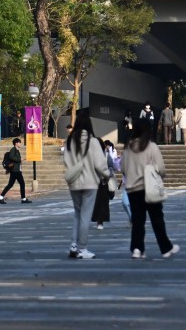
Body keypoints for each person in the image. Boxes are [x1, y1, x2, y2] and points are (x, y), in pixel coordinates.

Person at [122, 122, 179, 259]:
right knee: (157, 219)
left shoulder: (127, 148)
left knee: (137, 220)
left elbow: (123, 169)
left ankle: (137, 248)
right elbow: (160, 167)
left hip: (132, 189)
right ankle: (166, 248)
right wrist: (161, 176)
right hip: (149, 188)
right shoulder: (151, 146)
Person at [63, 110, 111, 259]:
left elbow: (65, 160)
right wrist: (107, 175)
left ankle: (73, 245)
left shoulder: (70, 141)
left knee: (77, 214)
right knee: (85, 215)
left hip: (74, 182)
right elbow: (100, 164)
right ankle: (82, 248)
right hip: (90, 183)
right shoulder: (93, 142)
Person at [0, 138, 30, 204]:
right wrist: (19, 159)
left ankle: (0, 197)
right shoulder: (13, 149)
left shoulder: (17, 151)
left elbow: (16, 159)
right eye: (19, 143)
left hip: (15, 170)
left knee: (10, 185)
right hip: (15, 170)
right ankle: (23, 199)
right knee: (22, 183)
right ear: (16, 143)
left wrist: (21, 159)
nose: (20, 144)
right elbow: (11, 157)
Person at [92, 139, 117, 231]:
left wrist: (106, 174)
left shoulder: (106, 155)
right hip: (94, 182)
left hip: (103, 182)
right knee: (95, 203)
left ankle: (100, 221)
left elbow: (111, 167)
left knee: (102, 203)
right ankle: (98, 220)